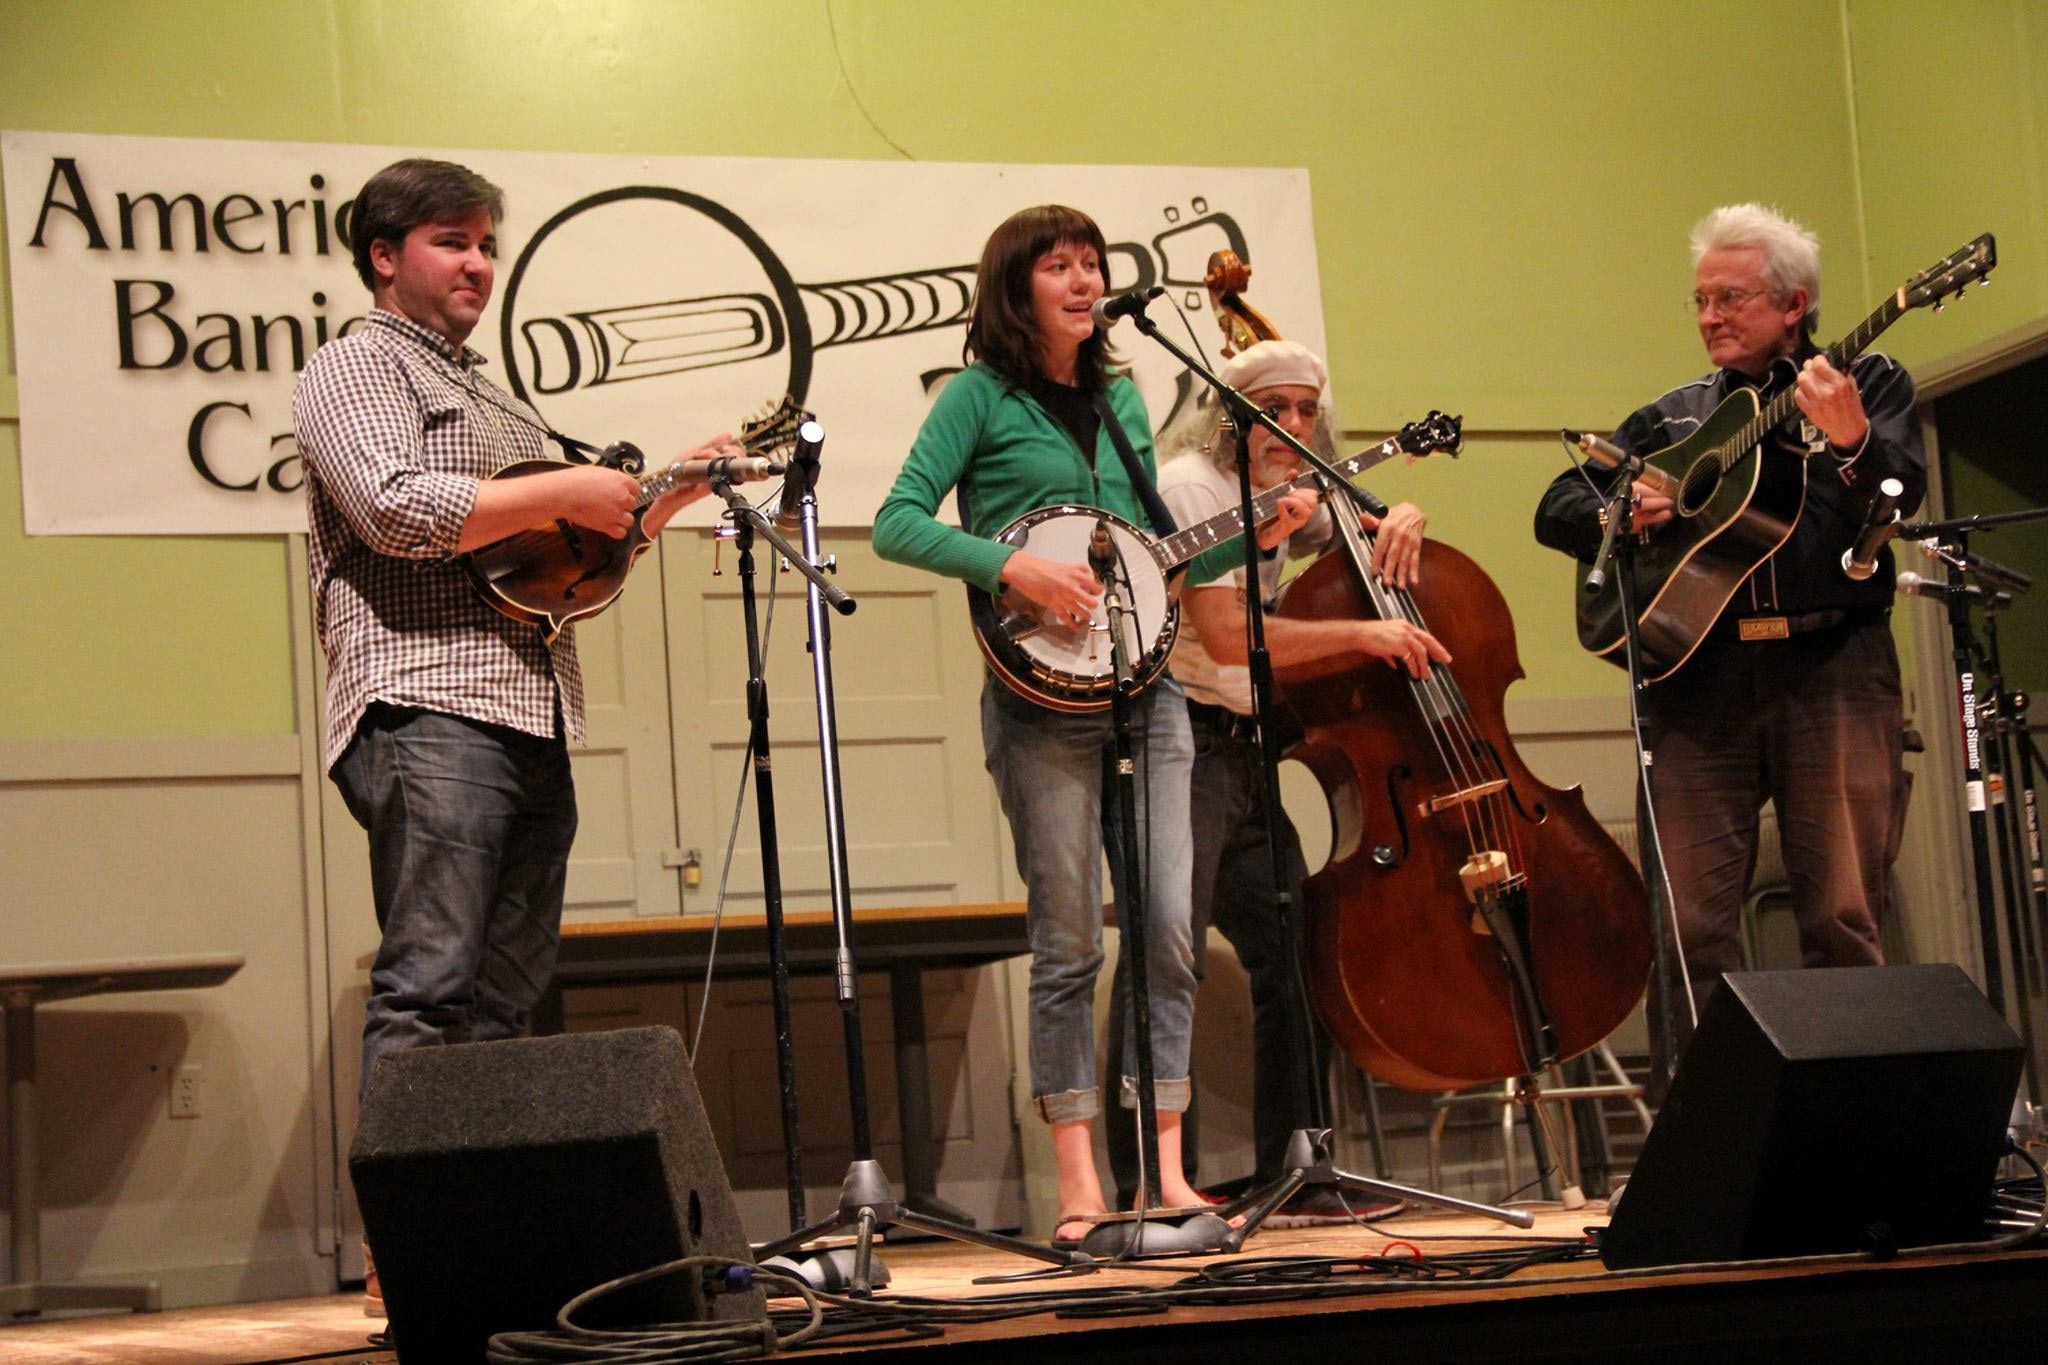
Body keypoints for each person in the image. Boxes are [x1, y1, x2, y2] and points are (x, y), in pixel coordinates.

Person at [293, 158, 739, 1309]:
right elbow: (392, 507)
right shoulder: (353, 365)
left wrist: (670, 495)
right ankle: (406, 1256)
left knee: (505, 997)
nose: (478, 264)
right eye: (452, 241)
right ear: (384, 255)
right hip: (426, 699)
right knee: (429, 984)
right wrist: (563, 491)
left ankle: (482, 1245)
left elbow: (559, 564)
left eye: (486, 243)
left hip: (530, 706)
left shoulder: (497, 401)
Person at [873, 206, 1314, 1246]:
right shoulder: (976, 397)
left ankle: (1166, 1171)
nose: (1082, 281)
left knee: (1167, 935)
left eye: (1091, 264)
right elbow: (898, 522)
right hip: (1039, 707)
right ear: (1014, 287)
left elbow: (1159, 559)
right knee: (1068, 943)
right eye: (1058, 266)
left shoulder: (1121, 398)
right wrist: (1009, 566)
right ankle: (1079, 1184)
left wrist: (1260, 533)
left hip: (1147, 695)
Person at [1533, 202, 1922, 1075]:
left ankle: (1848, 1129)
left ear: (1793, 305)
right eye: (1701, 300)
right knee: (1686, 928)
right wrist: (1621, 508)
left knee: (1843, 915)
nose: (1709, 316)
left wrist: (1854, 439)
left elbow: (1901, 497)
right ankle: (1705, 1134)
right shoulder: (1672, 421)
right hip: (1698, 676)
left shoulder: (1865, 383)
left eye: (1730, 299)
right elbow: (1556, 505)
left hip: (1832, 667)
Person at [1105, 339, 1447, 1210]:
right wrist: (1366, 636)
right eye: (1272, 411)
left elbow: (1355, 533)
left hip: (1247, 747)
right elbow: (1227, 637)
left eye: (1305, 411)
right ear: (1231, 417)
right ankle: (1146, 1184)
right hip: (1183, 743)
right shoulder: (1193, 487)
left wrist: (1399, 514)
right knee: (1163, 957)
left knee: (1297, 951)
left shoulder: (1293, 486)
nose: (1291, 426)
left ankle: (1295, 1172)